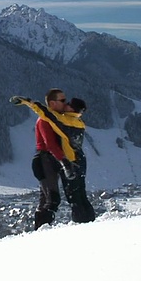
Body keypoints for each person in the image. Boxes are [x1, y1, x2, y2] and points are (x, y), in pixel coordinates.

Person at [10, 89, 95, 229]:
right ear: (52, 103)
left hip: (54, 160)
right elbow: (50, 144)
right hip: (45, 159)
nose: (65, 103)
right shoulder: (45, 120)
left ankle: (42, 228)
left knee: (47, 198)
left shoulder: (60, 118)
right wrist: (65, 162)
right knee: (52, 199)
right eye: (62, 101)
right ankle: (42, 230)